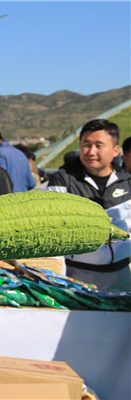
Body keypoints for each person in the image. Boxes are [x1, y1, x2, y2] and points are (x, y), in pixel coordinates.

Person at [46, 118, 130, 291]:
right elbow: (52, 228)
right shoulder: (63, 179)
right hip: (79, 275)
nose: (91, 151)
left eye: (99, 145)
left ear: (115, 150)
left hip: (121, 273)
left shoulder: (127, 181)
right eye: (86, 144)